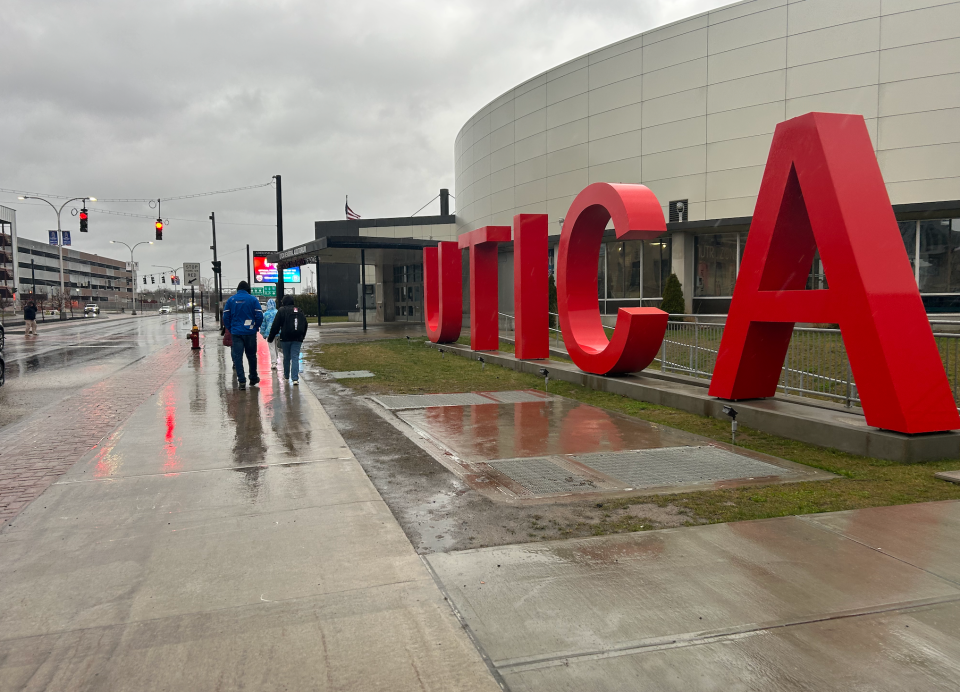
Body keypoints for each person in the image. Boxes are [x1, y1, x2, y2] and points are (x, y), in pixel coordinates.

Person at [222, 281, 264, 390]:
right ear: (248, 289)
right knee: (251, 356)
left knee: (237, 357)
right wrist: (256, 327)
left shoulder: (231, 300)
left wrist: (231, 328)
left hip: (236, 333)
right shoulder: (253, 300)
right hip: (250, 332)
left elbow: (225, 317)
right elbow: (259, 315)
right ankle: (253, 377)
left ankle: (241, 381)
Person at [268, 295, 308, 385]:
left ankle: (286, 376)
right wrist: (302, 336)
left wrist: (271, 337)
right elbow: (305, 324)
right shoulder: (299, 310)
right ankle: (295, 379)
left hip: (285, 338)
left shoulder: (282, 310)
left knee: (286, 357)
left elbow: (276, 325)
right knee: (295, 357)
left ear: (283, 302)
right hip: (297, 338)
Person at [259, 298, 280, 369]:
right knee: (276, 347)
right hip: (278, 332)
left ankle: (273, 362)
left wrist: (263, 334)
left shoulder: (265, 314)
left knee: (271, 348)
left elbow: (263, 325)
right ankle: (276, 359)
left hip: (269, 333)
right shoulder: (278, 312)